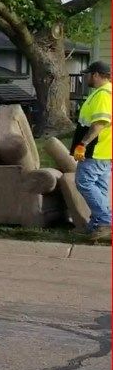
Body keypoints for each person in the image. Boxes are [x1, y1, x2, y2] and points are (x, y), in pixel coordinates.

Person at [72, 61, 112, 240]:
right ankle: (96, 226)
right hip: (104, 151)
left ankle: (105, 222)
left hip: (95, 150)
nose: (85, 77)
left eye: (88, 74)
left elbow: (99, 124)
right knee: (100, 188)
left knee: (84, 182)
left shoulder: (103, 94)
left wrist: (83, 144)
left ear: (96, 75)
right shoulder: (104, 92)